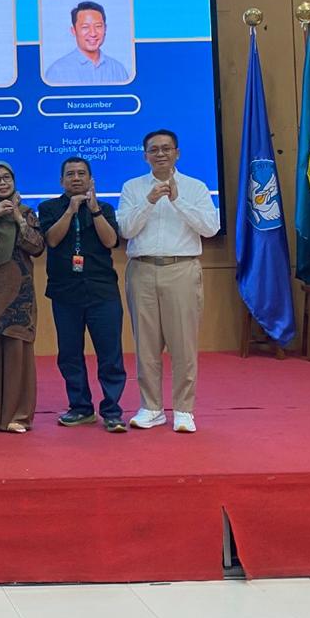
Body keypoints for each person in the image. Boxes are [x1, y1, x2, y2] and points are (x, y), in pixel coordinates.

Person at [117, 129, 220, 434]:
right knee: (146, 345)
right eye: (154, 150)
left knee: (183, 344)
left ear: (177, 153)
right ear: (145, 156)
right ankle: (151, 408)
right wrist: (149, 202)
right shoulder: (133, 187)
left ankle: (184, 410)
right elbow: (126, 230)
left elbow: (210, 228)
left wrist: (178, 201)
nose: (160, 154)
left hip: (181, 269)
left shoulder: (195, 187)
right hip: (142, 269)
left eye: (166, 148)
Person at [38, 157, 128, 432]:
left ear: (90, 179)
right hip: (65, 292)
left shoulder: (105, 208)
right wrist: (70, 210)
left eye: (81, 174)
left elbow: (110, 241)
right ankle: (80, 408)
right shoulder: (49, 208)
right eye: (70, 174)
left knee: (110, 354)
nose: (76, 178)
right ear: (61, 181)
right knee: (69, 354)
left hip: (102, 291)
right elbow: (52, 240)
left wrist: (94, 210)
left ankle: (112, 411)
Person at [0, 161, 46, 434]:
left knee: (18, 352)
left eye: (7, 177)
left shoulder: (27, 212)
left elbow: (37, 246)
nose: (2, 182)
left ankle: (17, 415)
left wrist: (17, 216)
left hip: (20, 293)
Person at [44, 1, 131, 85]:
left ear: (105, 29)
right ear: (73, 31)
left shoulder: (118, 70)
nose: (93, 33)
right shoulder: (57, 71)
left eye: (98, 26)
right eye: (85, 27)